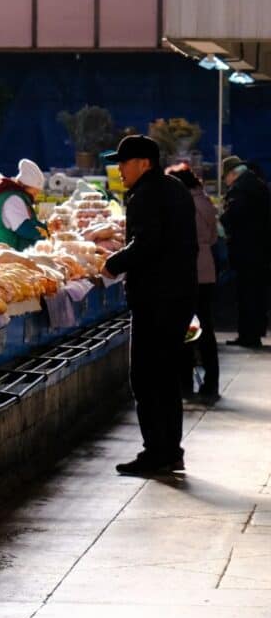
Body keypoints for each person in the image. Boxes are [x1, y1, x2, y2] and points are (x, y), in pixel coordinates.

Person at [101, 136, 197, 476]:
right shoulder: (175, 189)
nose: (119, 170)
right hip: (179, 296)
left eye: (123, 163)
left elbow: (147, 243)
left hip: (155, 300)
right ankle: (170, 450)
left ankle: (156, 451)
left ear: (144, 163)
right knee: (166, 378)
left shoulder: (146, 195)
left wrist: (113, 262)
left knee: (146, 377)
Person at [167, 164, 219, 404]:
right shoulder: (205, 202)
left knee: (186, 328)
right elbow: (213, 237)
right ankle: (211, 382)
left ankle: (184, 383)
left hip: (187, 271)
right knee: (205, 327)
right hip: (206, 271)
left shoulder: (185, 205)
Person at [219, 155, 271, 348]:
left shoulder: (241, 189)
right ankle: (254, 332)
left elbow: (234, 216)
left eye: (225, 178)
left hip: (247, 250)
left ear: (232, 174)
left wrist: (222, 220)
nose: (226, 182)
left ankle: (248, 335)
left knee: (247, 294)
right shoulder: (257, 184)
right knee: (256, 294)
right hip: (260, 249)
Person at [0, 159, 48, 250]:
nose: (35, 197)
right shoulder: (13, 199)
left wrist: (47, 227)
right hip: (1, 252)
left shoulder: (16, 196)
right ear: (25, 187)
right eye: (35, 193)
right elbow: (24, 228)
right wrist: (47, 235)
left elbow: (30, 222)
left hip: (3, 249)